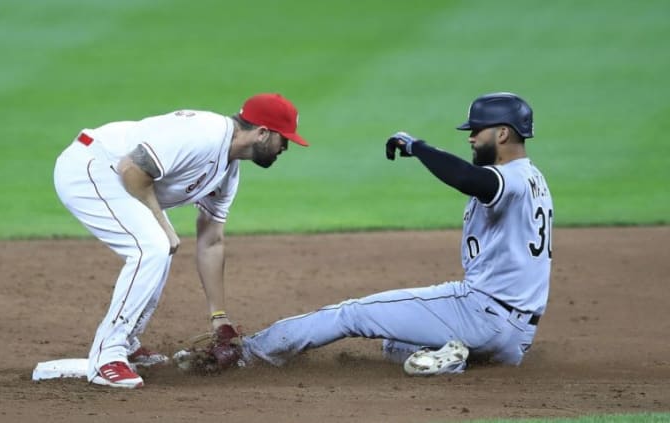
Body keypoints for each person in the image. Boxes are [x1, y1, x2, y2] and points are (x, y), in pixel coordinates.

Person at [181, 92, 552, 375]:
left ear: (503, 133)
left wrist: (418, 147)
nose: (470, 138)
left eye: (476, 131)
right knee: (395, 343)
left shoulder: (508, 180)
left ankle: (245, 353)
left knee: (351, 314)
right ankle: (456, 358)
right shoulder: (534, 179)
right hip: (516, 337)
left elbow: (468, 180)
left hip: (481, 311)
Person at [53, 93, 309, 388]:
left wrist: (219, 317)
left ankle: (127, 341)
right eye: (284, 139)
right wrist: (163, 224)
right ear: (262, 133)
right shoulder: (203, 135)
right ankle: (106, 356)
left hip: (115, 175)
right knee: (152, 246)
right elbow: (131, 169)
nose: (286, 147)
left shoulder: (227, 172)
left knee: (158, 246)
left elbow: (211, 240)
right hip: (90, 166)